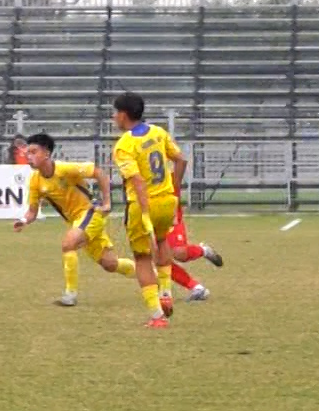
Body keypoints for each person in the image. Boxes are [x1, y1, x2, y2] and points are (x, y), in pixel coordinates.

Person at [13, 133, 136, 306]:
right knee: (110, 264)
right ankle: (150, 276)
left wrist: (107, 202)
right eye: (28, 153)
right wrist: (23, 221)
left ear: (46, 153)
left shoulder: (65, 169)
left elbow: (99, 173)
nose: (29, 156)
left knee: (68, 244)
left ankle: (70, 295)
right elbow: (32, 212)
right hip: (77, 222)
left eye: (33, 152)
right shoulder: (35, 181)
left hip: (91, 213)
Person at [110, 92, 184, 327]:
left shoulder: (124, 145)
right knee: (162, 242)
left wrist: (144, 213)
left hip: (143, 204)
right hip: (166, 200)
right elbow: (181, 160)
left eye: (115, 113)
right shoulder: (158, 132)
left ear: (123, 115)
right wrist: (174, 192)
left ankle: (157, 316)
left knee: (142, 258)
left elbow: (138, 181)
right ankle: (166, 293)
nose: (113, 117)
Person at [163, 202, 225, 301]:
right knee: (160, 259)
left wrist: (173, 213)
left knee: (179, 253)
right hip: (145, 215)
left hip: (167, 210)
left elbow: (175, 193)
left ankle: (203, 250)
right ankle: (197, 288)